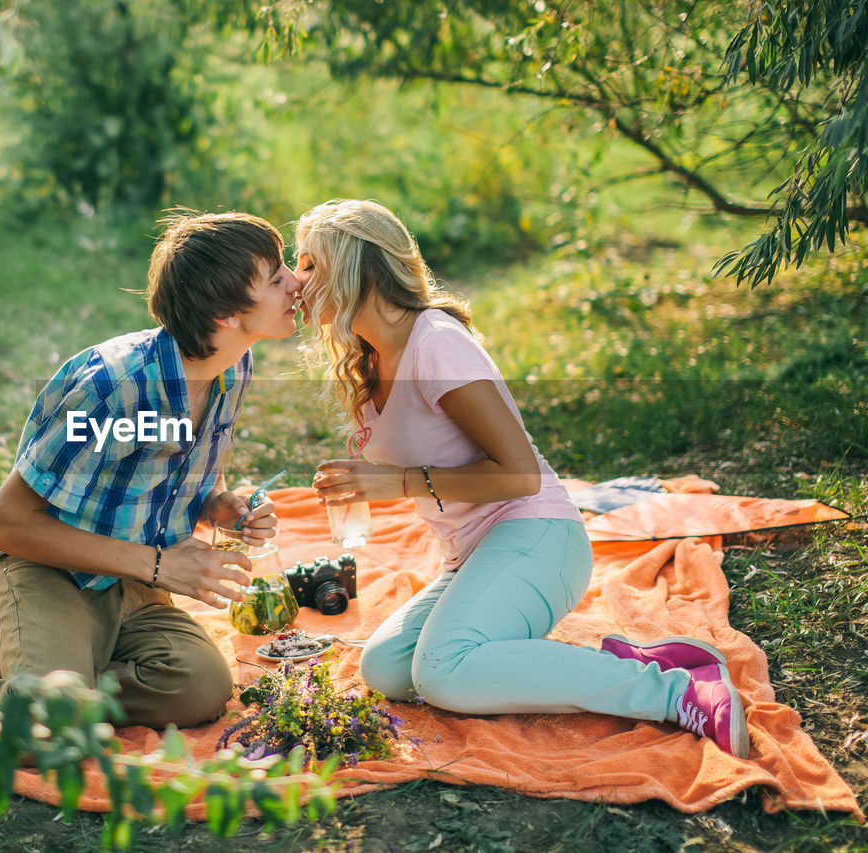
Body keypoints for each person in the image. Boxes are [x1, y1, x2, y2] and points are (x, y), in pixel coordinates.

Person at [293, 199, 749, 759]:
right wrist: (369, 480)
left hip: (537, 537)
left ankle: (677, 691)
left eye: (310, 264)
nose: (296, 280)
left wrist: (401, 482)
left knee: (443, 673)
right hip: (471, 555)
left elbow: (520, 473)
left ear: (354, 265)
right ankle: (633, 659)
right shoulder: (370, 360)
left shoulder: (433, 340)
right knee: (386, 668)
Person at [0, 210, 304, 738]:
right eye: (277, 277)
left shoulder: (230, 368)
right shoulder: (112, 390)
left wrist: (218, 504)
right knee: (48, 723)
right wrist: (159, 563)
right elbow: (4, 525)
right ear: (225, 314)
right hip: (45, 572)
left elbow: (164, 469)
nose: (296, 284)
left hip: (133, 584)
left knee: (200, 687)